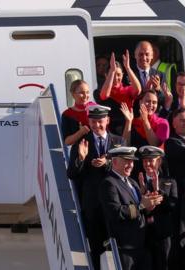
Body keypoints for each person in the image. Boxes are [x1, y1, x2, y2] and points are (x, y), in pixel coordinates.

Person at [66, 105, 125, 270]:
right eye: (93, 122)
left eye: (100, 121)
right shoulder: (81, 142)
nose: (97, 125)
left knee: (118, 246)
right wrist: (80, 157)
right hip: (92, 204)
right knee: (96, 247)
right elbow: (71, 173)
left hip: (115, 203)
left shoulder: (119, 142)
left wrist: (107, 163)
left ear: (107, 120)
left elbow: (126, 170)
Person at [100, 147, 163, 270]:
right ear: (115, 162)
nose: (130, 165)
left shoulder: (132, 182)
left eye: (132, 161)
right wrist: (141, 205)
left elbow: (141, 210)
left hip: (142, 245)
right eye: (126, 161)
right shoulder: (109, 183)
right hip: (125, 248)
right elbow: (115, 213)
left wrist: (149, 206)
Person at [136, 146, 178, 270]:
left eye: (151, 160)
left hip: (163, 235)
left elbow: (172, 206)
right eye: (145, 160)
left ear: (159, 161)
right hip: (143, 235)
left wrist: (158, 189)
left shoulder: (170, 182)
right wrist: (142, 193)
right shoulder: (136, 182)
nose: (147, 164)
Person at [98, 51, 142, 135]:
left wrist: (128, 67)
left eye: (118, 74)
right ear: (106, 75)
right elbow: (104, 96)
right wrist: (112, 71)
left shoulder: (127, 90)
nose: (116, 78)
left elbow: (138, 90)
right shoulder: (103, 90)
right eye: (113, 75)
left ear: (122, 75)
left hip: (127, 128)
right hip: (109, 130)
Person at [61, 79, 96, 146]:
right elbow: (67, 142)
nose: (85, 96)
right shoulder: (67, 114)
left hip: (98, 151)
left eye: (87, 92)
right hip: (79, 153)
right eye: (82, 93)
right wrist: (80, 132)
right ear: (73, 94)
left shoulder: (95, 108)